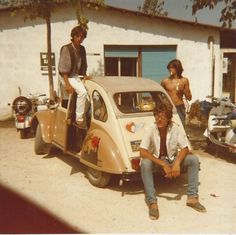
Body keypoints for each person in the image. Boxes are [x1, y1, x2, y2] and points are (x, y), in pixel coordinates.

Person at [139, 103, 206, 220]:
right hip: (157, 161)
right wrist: (163, 164)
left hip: (171, 159)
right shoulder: (150, 128)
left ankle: (192, 197)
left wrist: (176, 164)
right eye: (157, 116)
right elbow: (142, 151)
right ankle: (152, 202)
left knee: (193, 160)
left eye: (163, 117)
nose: (159, 119)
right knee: (145, 163)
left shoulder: (175, 128)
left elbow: (185, 148)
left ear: (169, 119)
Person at [58, 25, 90, 128]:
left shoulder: (82, 49)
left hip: (75, 76)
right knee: (83, 92)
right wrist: (67, 85)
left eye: (82, 37)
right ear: (73, 36)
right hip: (66, 76)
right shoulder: (66, 49)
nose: (80, 39)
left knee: (88, 96)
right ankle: (79, 119)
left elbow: (84, 63)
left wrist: (85, 75)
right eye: (78, 36)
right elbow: (63, 70)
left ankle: (85, 116)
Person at [161, 59, 192, 127]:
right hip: (168, 107)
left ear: (177, 68)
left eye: (171, 68)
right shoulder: (165, 81)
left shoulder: (184, 81)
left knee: (181, 127)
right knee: (168, 128)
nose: (169, 70)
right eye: (169, 68)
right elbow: (159, 95)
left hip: (179, 107)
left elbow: (189, 98)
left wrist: (183, 90)